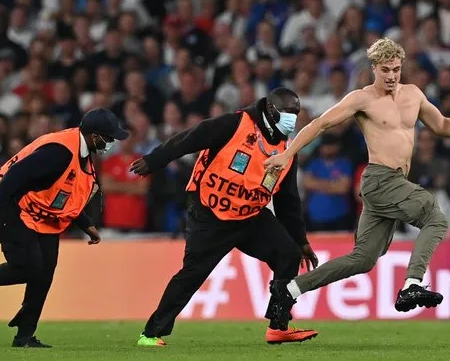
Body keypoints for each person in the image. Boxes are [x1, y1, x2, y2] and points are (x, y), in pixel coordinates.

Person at [264, 37, 450, 329]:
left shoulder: (414, 94)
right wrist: (287, 154)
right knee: (435, 217)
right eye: (385, 69)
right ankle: (412, 282)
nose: (391, 75)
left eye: (396, 69)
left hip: (394, 183)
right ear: (374, 68)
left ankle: (288, 290)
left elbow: (442, 126)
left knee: (363, 259)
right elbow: (319, 124)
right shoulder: (361, 99)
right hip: (380, 179)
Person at [130, 87, 319, 346]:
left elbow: (288, 200)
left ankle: (279, 325)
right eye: (289, 113)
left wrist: (301, 240)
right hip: (210, 214)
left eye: (296, 114)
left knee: (289, 253)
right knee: (193, 274)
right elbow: (189, 138)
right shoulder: (235, 124)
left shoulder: (287, 148)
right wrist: (154, 160)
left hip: (250, 215)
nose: (293, 120)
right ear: (272, 110)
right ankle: (151, 334)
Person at [0, 108, 130, 348]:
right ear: (94, 135)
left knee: (45, 272)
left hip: (38, 211)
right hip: (5, 201)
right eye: (109, 138)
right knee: (30, 266)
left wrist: (86, 224)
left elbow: (67, 192)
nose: (111, 143)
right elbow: (14, 176)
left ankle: (25, 336)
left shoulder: (83, 153)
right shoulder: (59, 153)